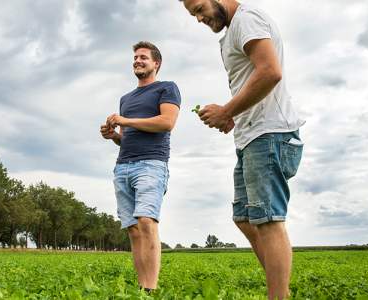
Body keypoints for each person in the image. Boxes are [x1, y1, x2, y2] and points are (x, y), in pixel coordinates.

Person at [179, 1, 305, 299]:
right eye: (193, 14)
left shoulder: (247, 20)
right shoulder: (233, 31)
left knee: (268, 220)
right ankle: (281, 290)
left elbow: (270, 72)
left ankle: (278, 295)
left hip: (269, 133)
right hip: (250, 136)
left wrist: (226, 111)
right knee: (245, 218)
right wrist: (232, 115)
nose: (198, 19)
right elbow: (253, 80)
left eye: (198, 8)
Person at [100, 41, 181, 292]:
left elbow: (167, 122)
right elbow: (128, 136)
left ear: (156, 63)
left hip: (152, 164)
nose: (137, 60)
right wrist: (113, 135)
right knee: (133, 230)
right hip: (123, 166)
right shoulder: (126, 98)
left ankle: (151, 289)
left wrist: (124, 120)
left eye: (143, 57)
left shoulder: (167, 88)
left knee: (146, 221)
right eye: (135, 57)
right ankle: (142, 287)